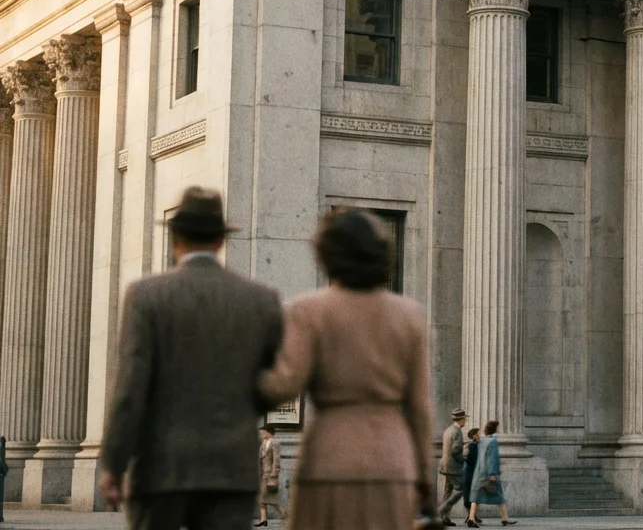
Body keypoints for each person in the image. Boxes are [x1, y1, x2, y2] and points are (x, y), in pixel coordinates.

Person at [98, 187, 284, 530]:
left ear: (175, 238)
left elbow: (129, 389)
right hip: (230, 469)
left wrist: (113, 462)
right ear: (221, 240)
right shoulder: (261, 299)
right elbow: (276, 382)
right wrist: (240, 405)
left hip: (160, 467)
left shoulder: (146, 296)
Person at [259, 209, 434, 530]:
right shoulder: (410, 315)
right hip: (391, 460)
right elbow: (420, 410)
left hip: (329, 456)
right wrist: (424, 479)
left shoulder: (307, 310)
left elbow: (283, 385)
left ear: (327, 255)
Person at [467, 421, 516, 527]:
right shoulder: (493, 442)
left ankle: (471, 518)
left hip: (479, 472)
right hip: (488, 473)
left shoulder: (482, 440)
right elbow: (492, 458)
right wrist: (493, 473)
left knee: (475, 496)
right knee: (499, 495)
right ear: (495, 429)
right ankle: (505, 518)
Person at [438, 409, 469, 526]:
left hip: (444, 465)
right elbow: (455, 450)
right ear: (461, 419)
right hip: (453, 466)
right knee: (461, 489)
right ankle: (442, 509)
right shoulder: (457, 431)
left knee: (448, 491)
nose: (465, 421)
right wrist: (463, 459)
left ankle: (445, 518)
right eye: (465, 419)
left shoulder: (448, 430)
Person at [257, 425, 285, 527]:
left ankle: (283, 511)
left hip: (269, 474)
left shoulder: (275, 443)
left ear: (268, 432)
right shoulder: (263, 443)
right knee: (263, 497)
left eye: (263, 432)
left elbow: (276, 459)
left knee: (266, 497)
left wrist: (274, 473)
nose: (262, 434)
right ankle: (263, 520)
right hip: (262, 473)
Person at [461, 428, 481, 528]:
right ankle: (471, 516)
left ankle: (472, 515)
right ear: (473, 436)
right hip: (471, 473)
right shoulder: (473, 446)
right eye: (477, 434)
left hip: (468, 473)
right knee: (472, 495)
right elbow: (473, 460)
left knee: (469, 495)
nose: (479, 436)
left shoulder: (470, 445)